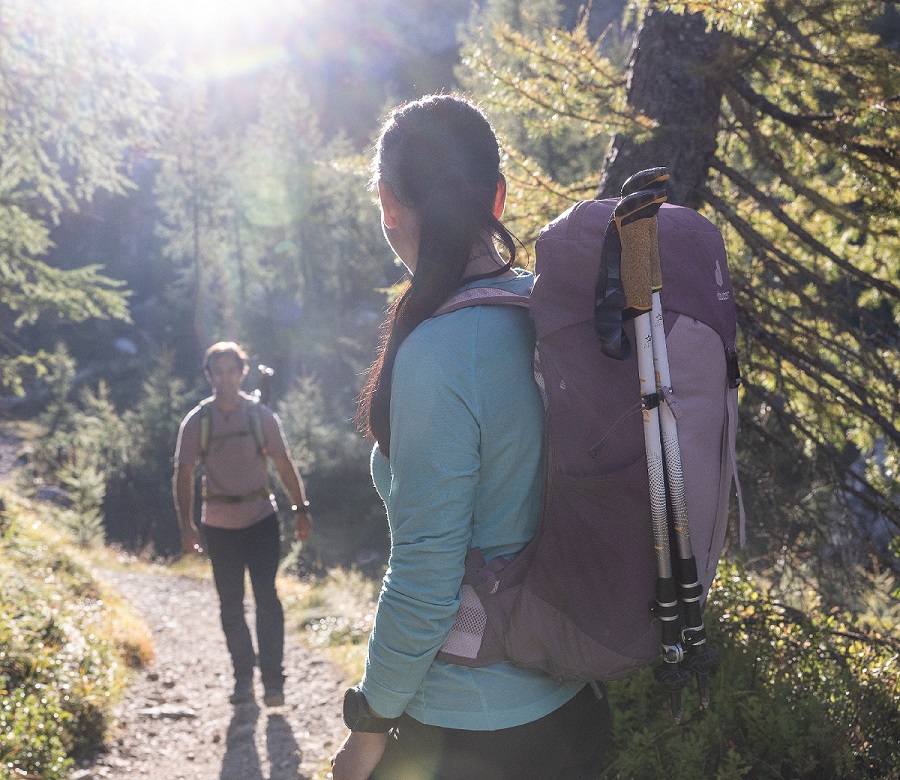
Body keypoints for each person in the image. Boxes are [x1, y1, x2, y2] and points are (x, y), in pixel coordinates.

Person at [331, 95, 612, 780]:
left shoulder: (440, 352)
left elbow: (427, 580)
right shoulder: (552, 312)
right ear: (497, 194)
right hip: (574, 705)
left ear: (389, 204)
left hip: (470, 732)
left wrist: (367, 733)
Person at [173, 341, 312, 707]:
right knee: (231, 605)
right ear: (208, 375)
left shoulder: (260, 416)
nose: (225, 378)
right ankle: (243, 679)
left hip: (261, 522)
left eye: (231, 370)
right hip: (218, 528)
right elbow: (183, 475)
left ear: (242, 372)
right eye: (218, 371)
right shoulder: (197, 422)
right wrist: (187, 527)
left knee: (267, 599)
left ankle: (273, 681)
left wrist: (300, 507)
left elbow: (284, 464)